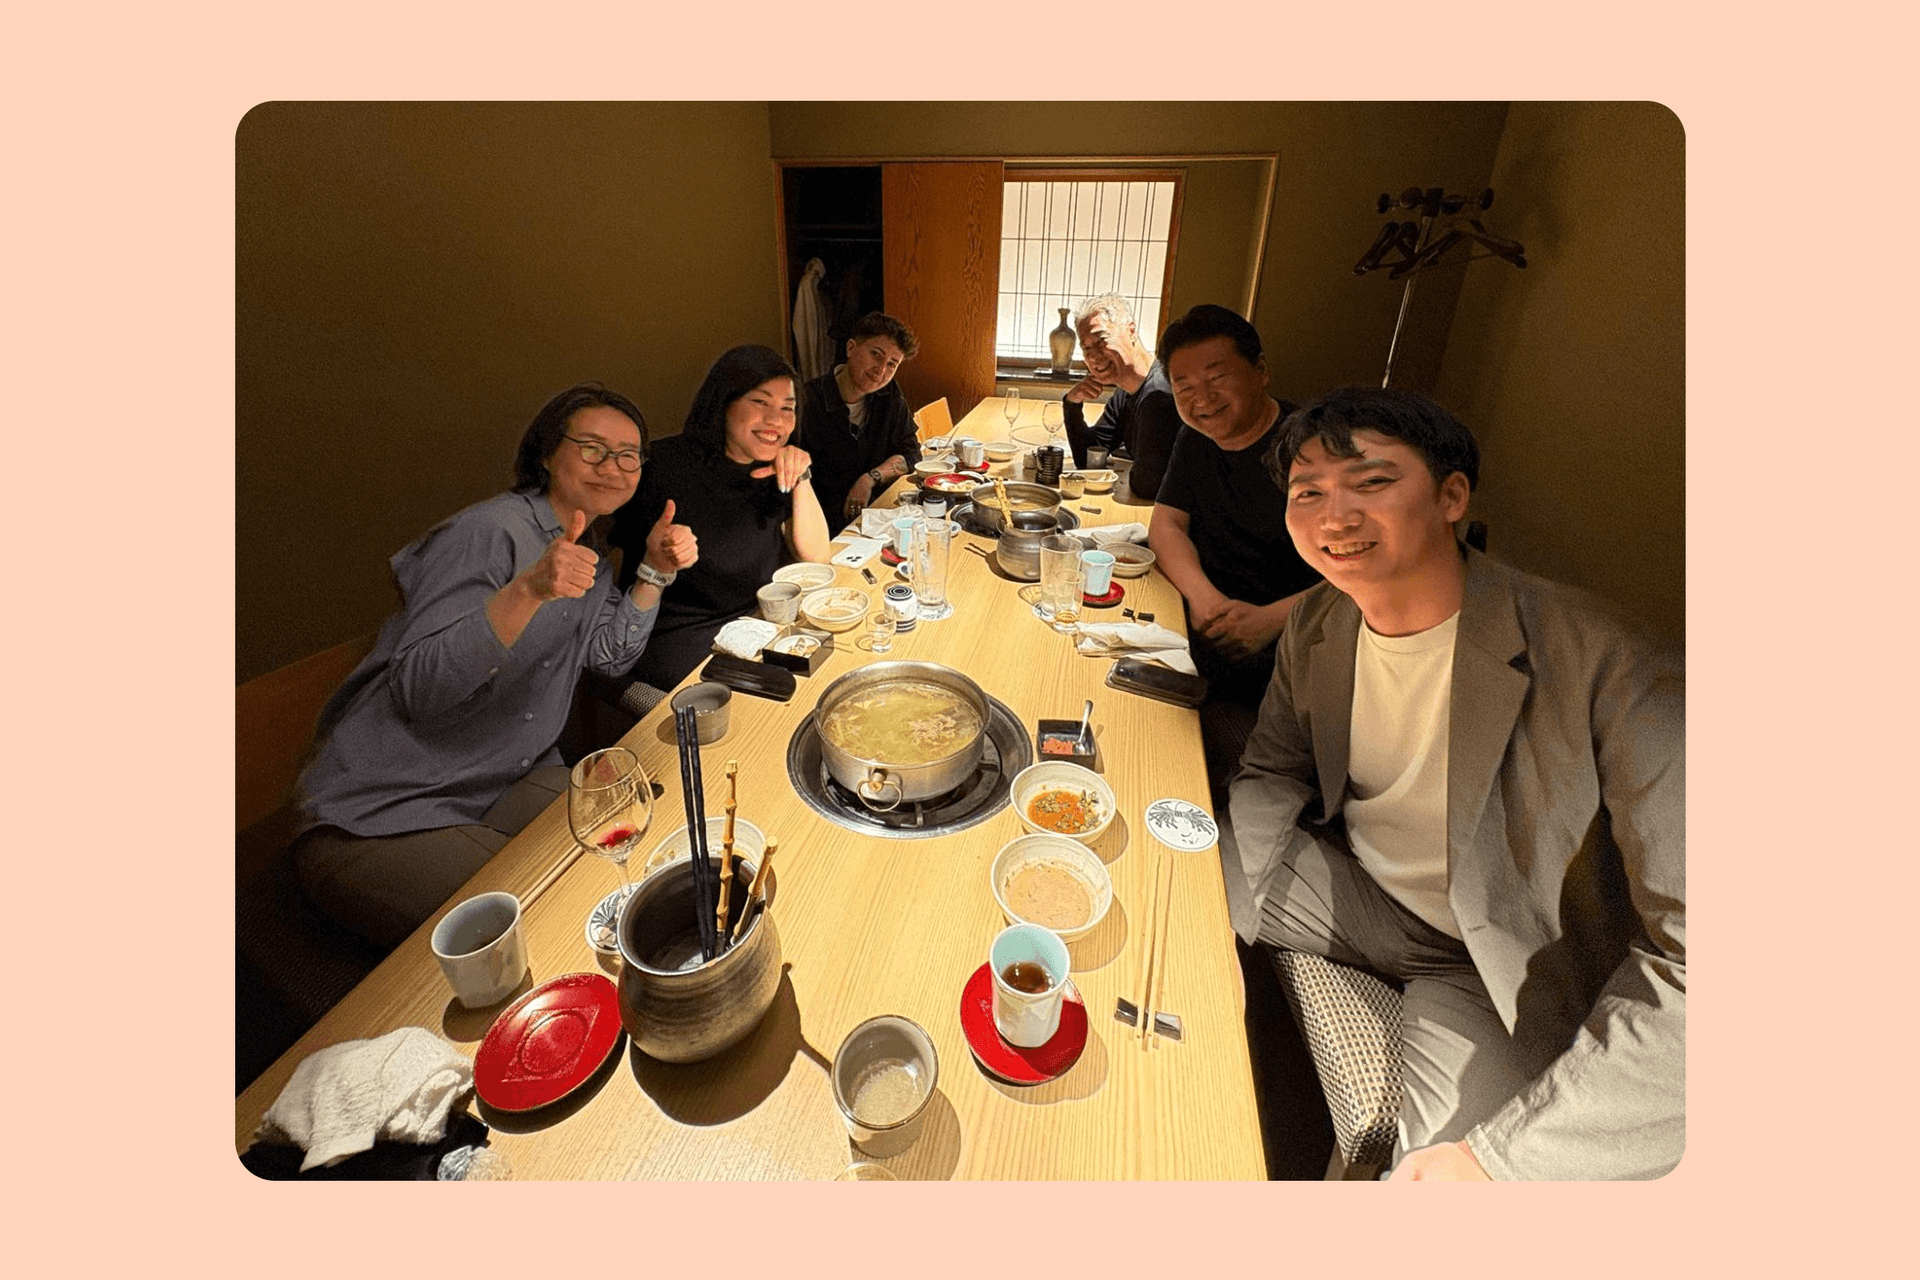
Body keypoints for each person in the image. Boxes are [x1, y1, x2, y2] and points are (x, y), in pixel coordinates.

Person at [1226, 386, 1684, 1180]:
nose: (1333, 516)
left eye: (1371, 483)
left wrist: (1498, 1164)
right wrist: (1242, 890)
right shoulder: (1320, 621)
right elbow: (1272, 768)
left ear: (1451, 495)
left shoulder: (1611, 662)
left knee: (1445, 1182)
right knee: (1171, 875)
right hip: (1364, 894)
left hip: (1500, 968)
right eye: (1309, 494)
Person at [293, 384, 693, 949]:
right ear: (547, 455)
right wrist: (528, 587)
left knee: (642, 850)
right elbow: (419, 690)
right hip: (383, 810)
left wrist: (653, 570)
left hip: (503, 777)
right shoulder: (489, 532)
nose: (615, 466)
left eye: (629, 454)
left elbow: (609, 657)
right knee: (551, 928)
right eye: (593, 448)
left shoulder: (587, 554)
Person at [1148, 305, 1320, 785]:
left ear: (1261, 371)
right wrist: (1205, 598)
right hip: (1207, 633)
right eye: (1183, 387)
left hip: (1289, 653)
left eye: (1217, 378)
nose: (1201, 399)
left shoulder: (1312, 449)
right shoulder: (1196, 437)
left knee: (1235, 765)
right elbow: (1166, 524)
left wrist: (1270, 620)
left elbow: (1362, 576)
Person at [611, 345, 830, 691]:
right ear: (724, 403)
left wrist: (802, 477)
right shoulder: (663, 466)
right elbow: (622, 568)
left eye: (788, 409)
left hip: (756, 624)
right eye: (760, 403)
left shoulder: (775, 470)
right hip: (685, 638)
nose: (777, 421)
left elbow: (816, 557)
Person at [1059, 293, 1182, 504]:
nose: (1093, 356)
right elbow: (1090, 458)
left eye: (1101, 340)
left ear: (1131, 331)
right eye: (1086, 347)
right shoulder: (1125, 392)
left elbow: (1148, 485)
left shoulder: (1159, 396)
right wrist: (1073, 403)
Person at [798, 312, 922, 522]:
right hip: (826, 524)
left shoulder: (888, 393)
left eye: (892, 364)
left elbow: (910, 452)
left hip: (879, 513)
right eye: (876, 354)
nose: (881, 370)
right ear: (850, 348)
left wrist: (869, 479)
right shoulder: (808, 402)